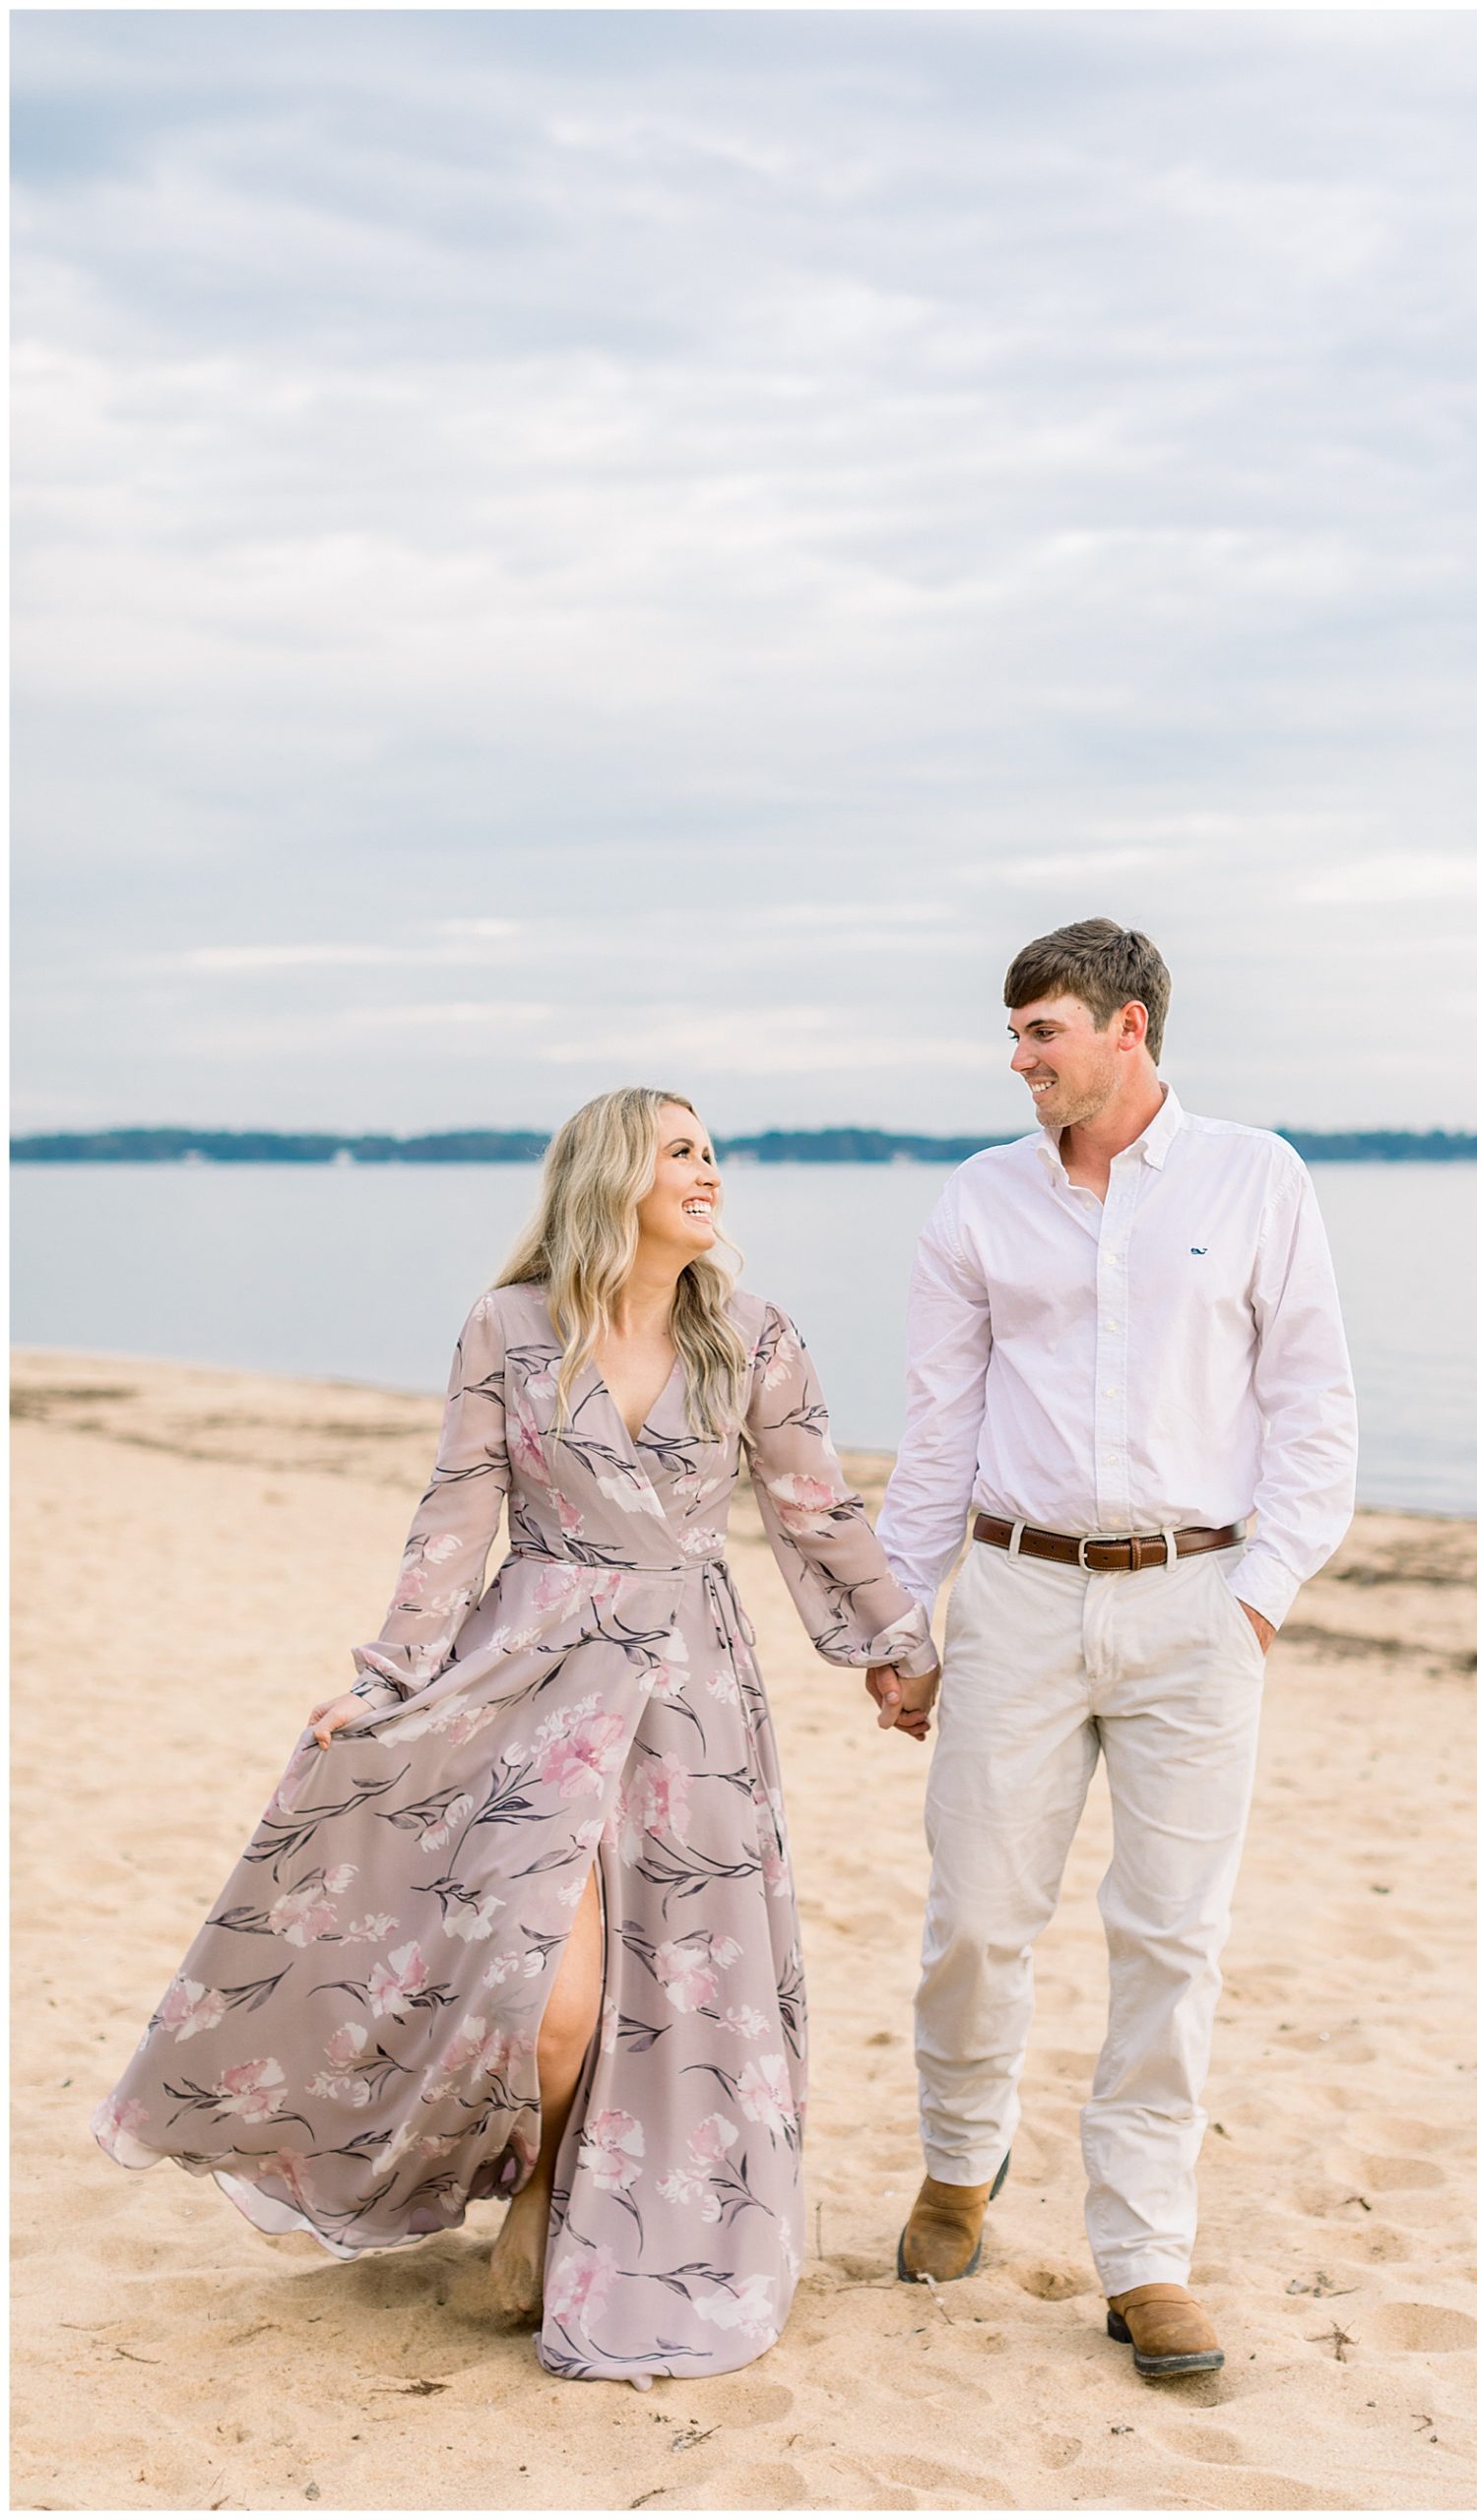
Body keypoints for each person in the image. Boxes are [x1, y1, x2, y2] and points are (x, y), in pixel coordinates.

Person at [93, 1087, 938, 2383]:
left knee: (677, 1982)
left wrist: (891, 1648)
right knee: (543, 2006)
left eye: (713, 1153)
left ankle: (569, 2214)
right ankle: (538, 2175)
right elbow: (455, 1511)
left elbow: (814, 1513)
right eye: (679, 1154)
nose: (708, 1174)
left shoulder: (756, 1335)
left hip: (687, 1699)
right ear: (611, 1178)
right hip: (527, 1679)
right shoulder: (508, 1327)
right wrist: (385, 1682)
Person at [868, 917, 1357, 2378]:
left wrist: (1258, 1594)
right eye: (1013, 1035)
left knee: (1169, 1939)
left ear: (1126, 1026)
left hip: (1197, 1605)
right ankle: (962, 2162)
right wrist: (903, 1617)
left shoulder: (1252, 1176)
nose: (1017, 1060)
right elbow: (937, 1429)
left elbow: (1313, 1403)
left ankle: (1143, 2256)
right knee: (974, 1917)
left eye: (1041, 1032)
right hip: (1015, 1598)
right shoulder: (977, 1202)